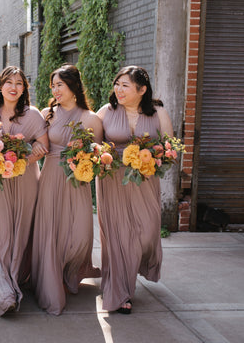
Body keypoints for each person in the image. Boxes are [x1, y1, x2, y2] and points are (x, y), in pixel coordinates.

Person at [96, 65, 173, 314]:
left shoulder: (158, 112)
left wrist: (155, 157)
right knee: (119, 237)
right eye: (117, 83)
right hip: (112, 180)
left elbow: (169, 147)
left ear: (141, 90)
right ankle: (120, 292)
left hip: (145, 181)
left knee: (147, 233)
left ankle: (133, 271)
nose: (118, 89)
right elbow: (92, 146)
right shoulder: (106, 112)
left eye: (125, 85)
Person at [32, 64, 102, 315]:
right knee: (51, 228)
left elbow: (98, 156)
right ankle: (53, 276)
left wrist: (85, 159)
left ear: (74, 87)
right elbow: (35, 143)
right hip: (50, 175)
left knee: (78, 232)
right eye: (53, 85)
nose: (55, 90)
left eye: (59, 84)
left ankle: (72, 270)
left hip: (77, 181)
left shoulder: (91, 118)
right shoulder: (47, 114)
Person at [0, 66, 48, 314]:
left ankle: (18, 277)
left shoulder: (32, 115)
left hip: (24, 180)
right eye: (9, 82)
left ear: (24, 89)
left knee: (22, 229)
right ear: (0, 85)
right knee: (2, 231)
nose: (14, 87)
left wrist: (19, 161)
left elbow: (42, 146)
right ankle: (2, 291)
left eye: (19, 83)